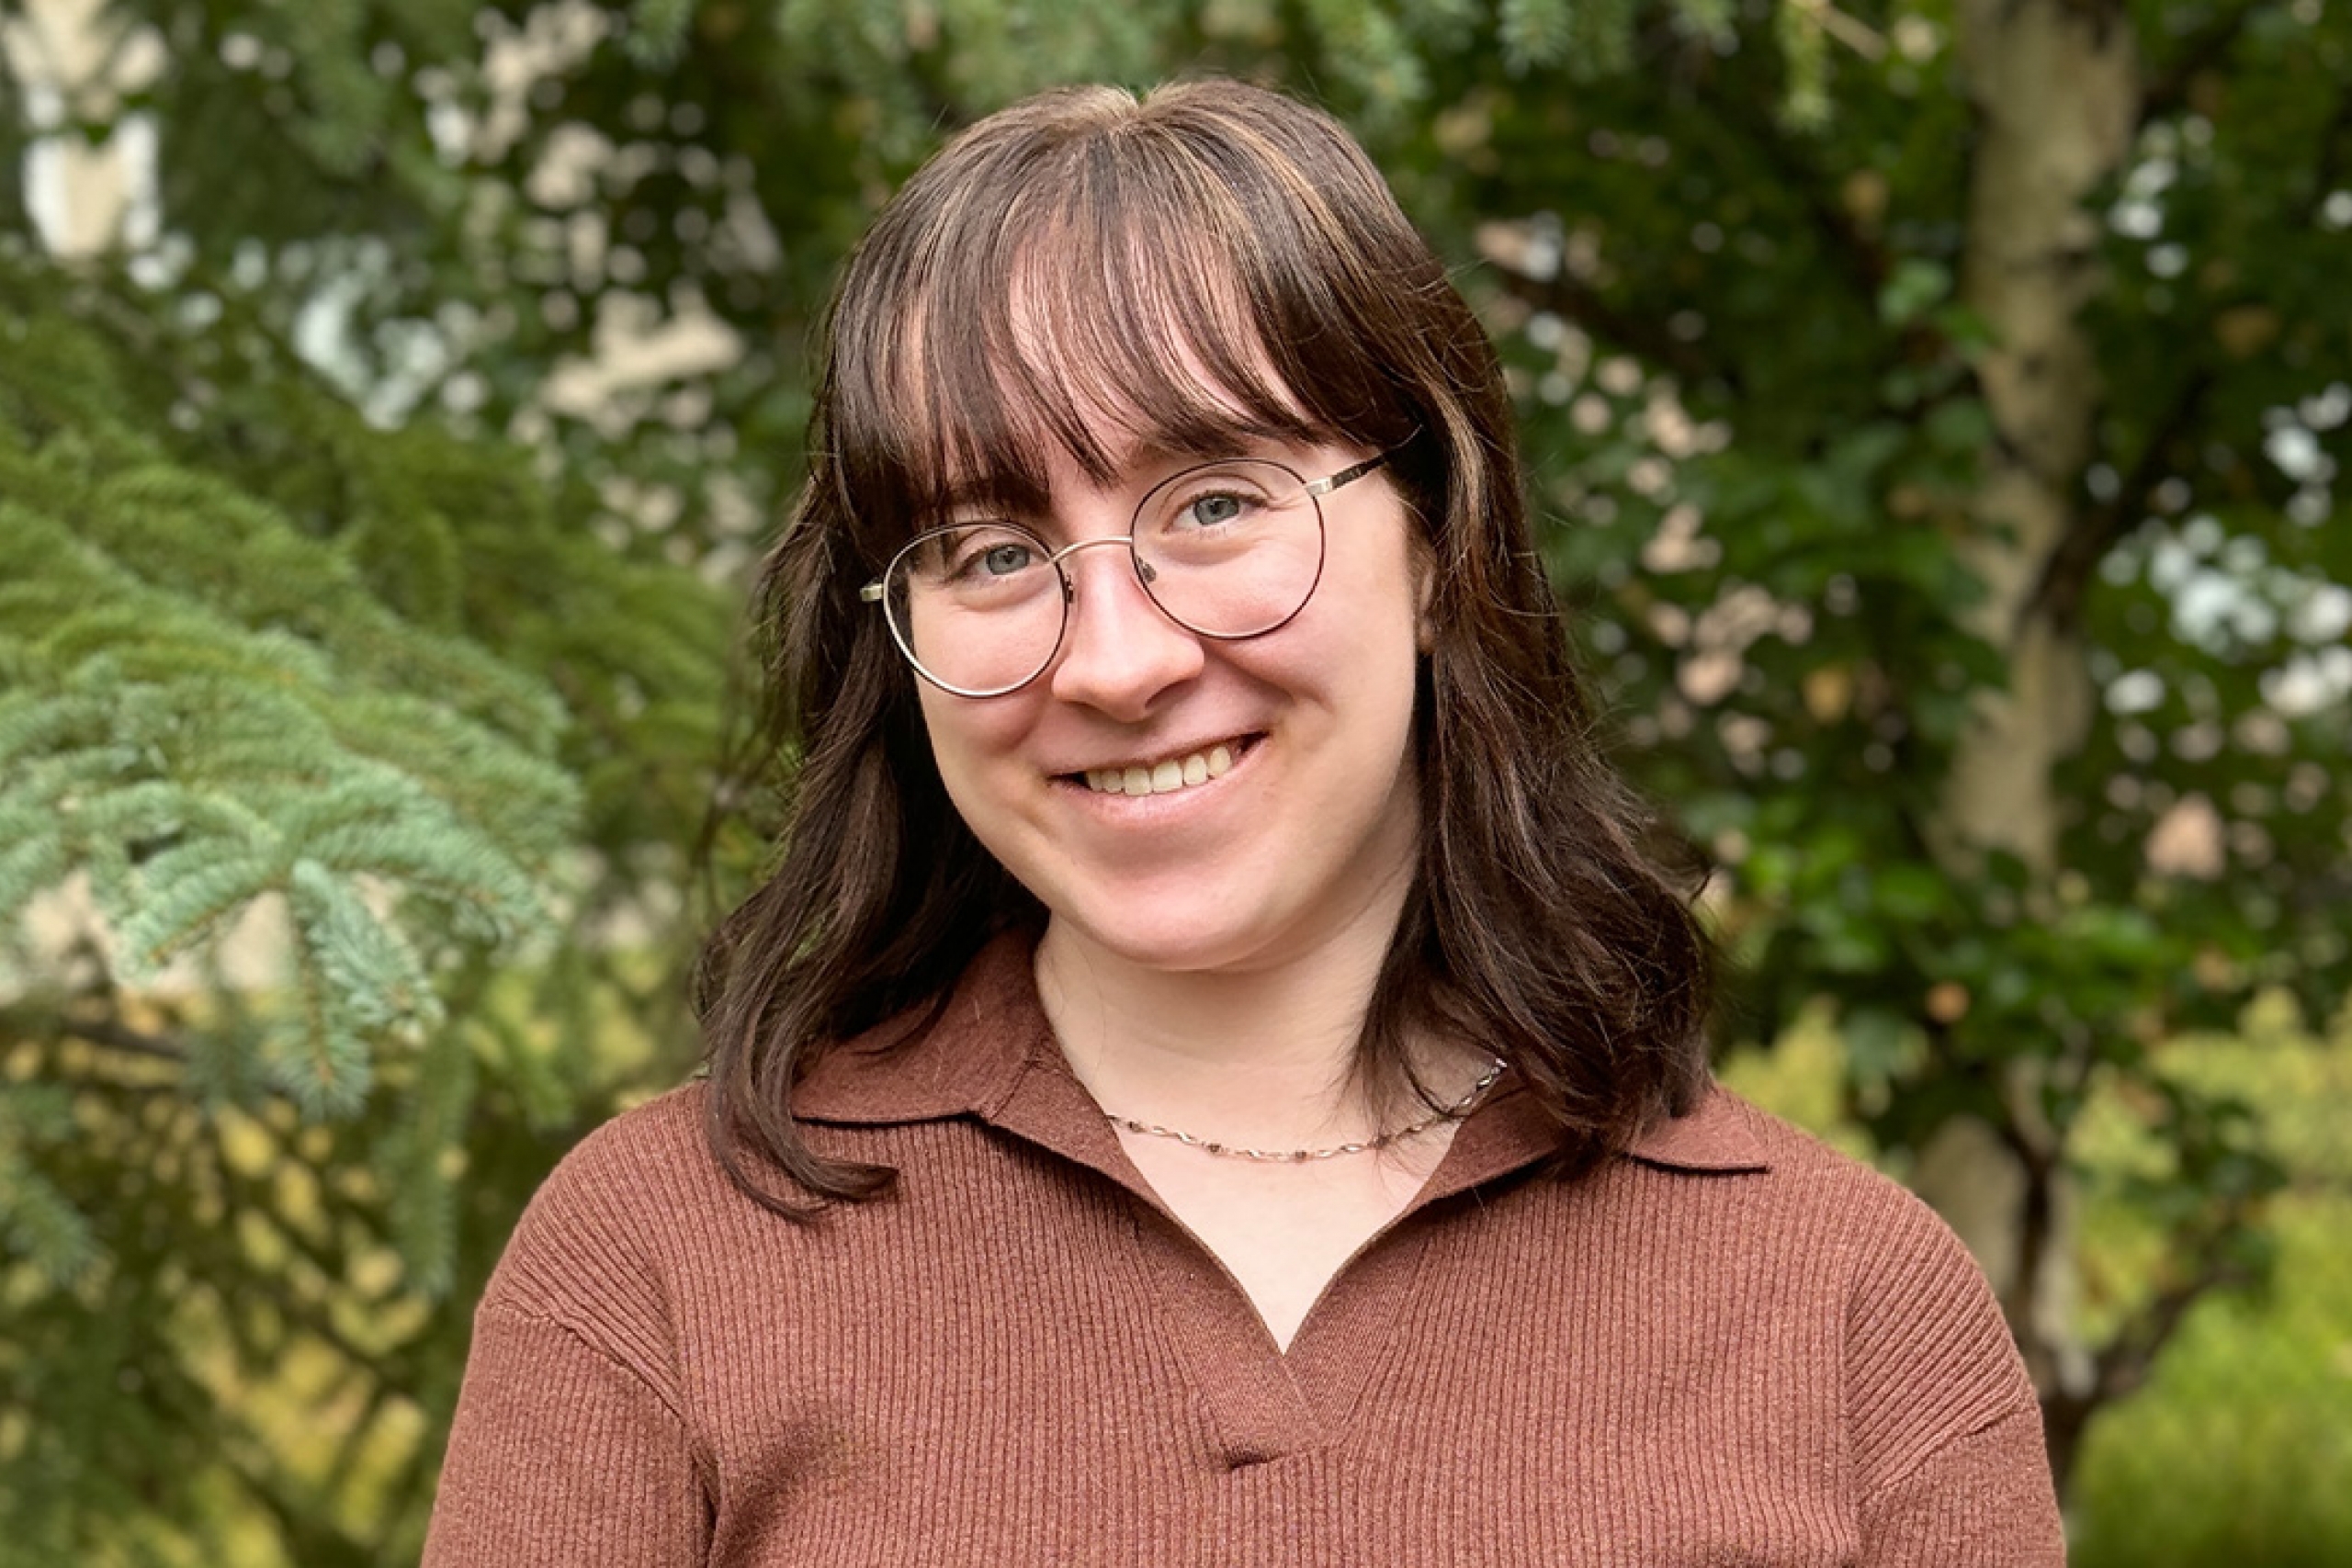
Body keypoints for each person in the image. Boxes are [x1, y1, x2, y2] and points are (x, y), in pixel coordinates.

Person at [424, 80, 2064, 1565]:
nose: (1120, 661)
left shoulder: (1853, 1315)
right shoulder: (653, 1266)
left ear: (1439, 537)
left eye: (1214, 505)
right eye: (992, 552)